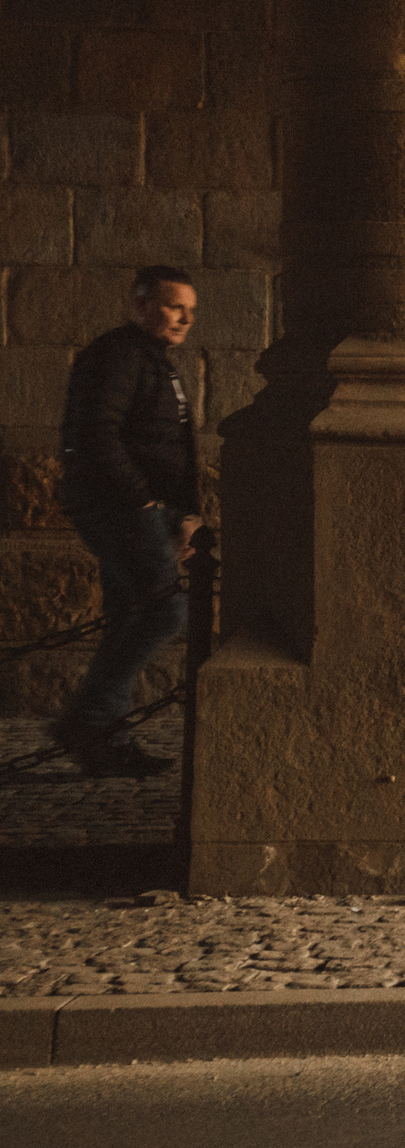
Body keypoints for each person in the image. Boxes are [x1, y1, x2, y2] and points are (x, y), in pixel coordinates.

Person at [52, 266, 202, 779]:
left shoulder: (155, 361)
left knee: (131, 614)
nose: (185, 317)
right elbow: (97, 432)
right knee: (165, 611)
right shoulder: (118, 356)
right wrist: (141, 503)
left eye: (190, 309)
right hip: (118, 507)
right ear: (140, 306)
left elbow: (168, 443)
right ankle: (89, 720)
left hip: (144, 509)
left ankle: (105, 741)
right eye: (173, 305)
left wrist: (184, 513)